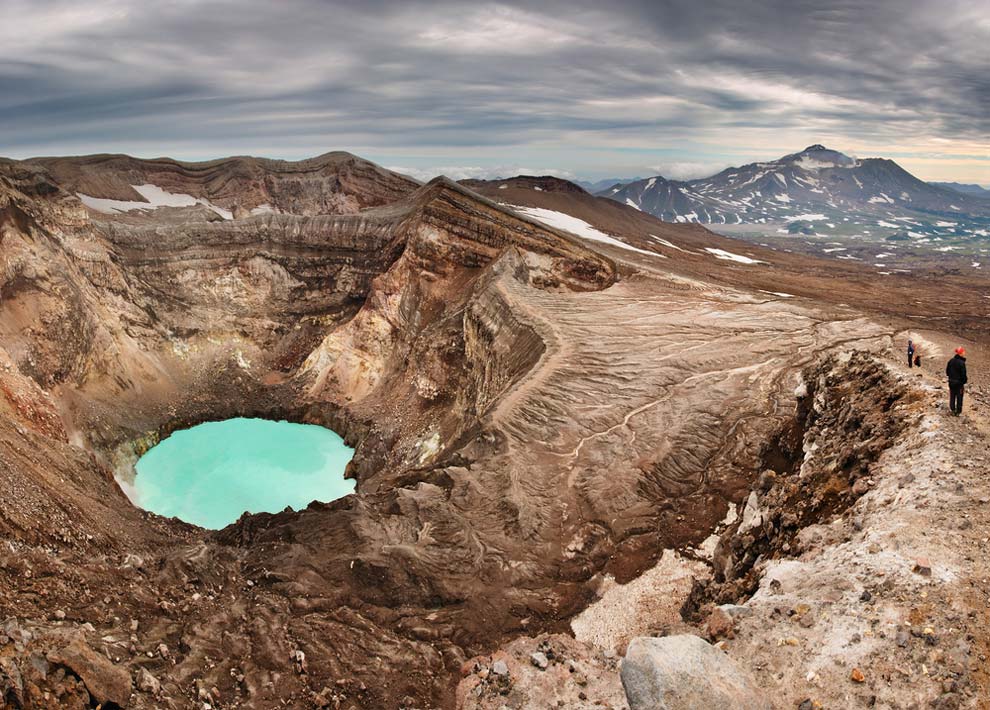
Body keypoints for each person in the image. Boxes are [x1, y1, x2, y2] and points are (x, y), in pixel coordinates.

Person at [946, 347, 968, 416]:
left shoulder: (951, 361)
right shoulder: (962, 363)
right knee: (959, 397)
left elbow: (947, 372)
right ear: (960, 353)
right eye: (963, 352)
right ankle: (958, 412)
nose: (964, 353)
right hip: (959, 384)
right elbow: (963, 375)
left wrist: (951, 378)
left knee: (952, 396)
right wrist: (964, 381)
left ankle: (952, 409)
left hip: (951, 382)